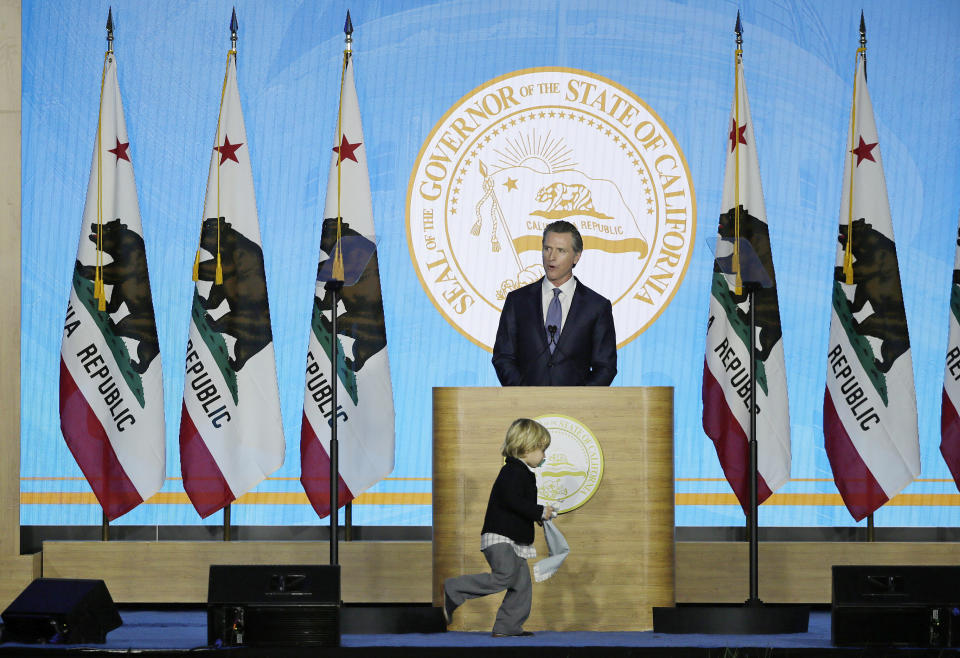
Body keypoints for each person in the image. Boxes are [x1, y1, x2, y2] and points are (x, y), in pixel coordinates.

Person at [442, 418, 557, 637]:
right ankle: (453, 589)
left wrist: (537, 515)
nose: (544, 456)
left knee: (521, 584)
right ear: (527, 447)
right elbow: (512, 500)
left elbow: (518, 505)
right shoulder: (512, 471)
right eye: (542, 449)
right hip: (501, 538)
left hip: (512, 539)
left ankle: (508, 626)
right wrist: (539, 511)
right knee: (505, 576)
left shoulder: (521, 472)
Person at [492, 220, 617, 386]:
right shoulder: (517, 301)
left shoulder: (596, 306)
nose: (551, 257)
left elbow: (606, 367)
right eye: (547, 249)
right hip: (525, 407)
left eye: (561, 251)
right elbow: (503, 356)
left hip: (575, 409)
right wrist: (522, 393)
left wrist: (580, 400)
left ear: (576, 256)